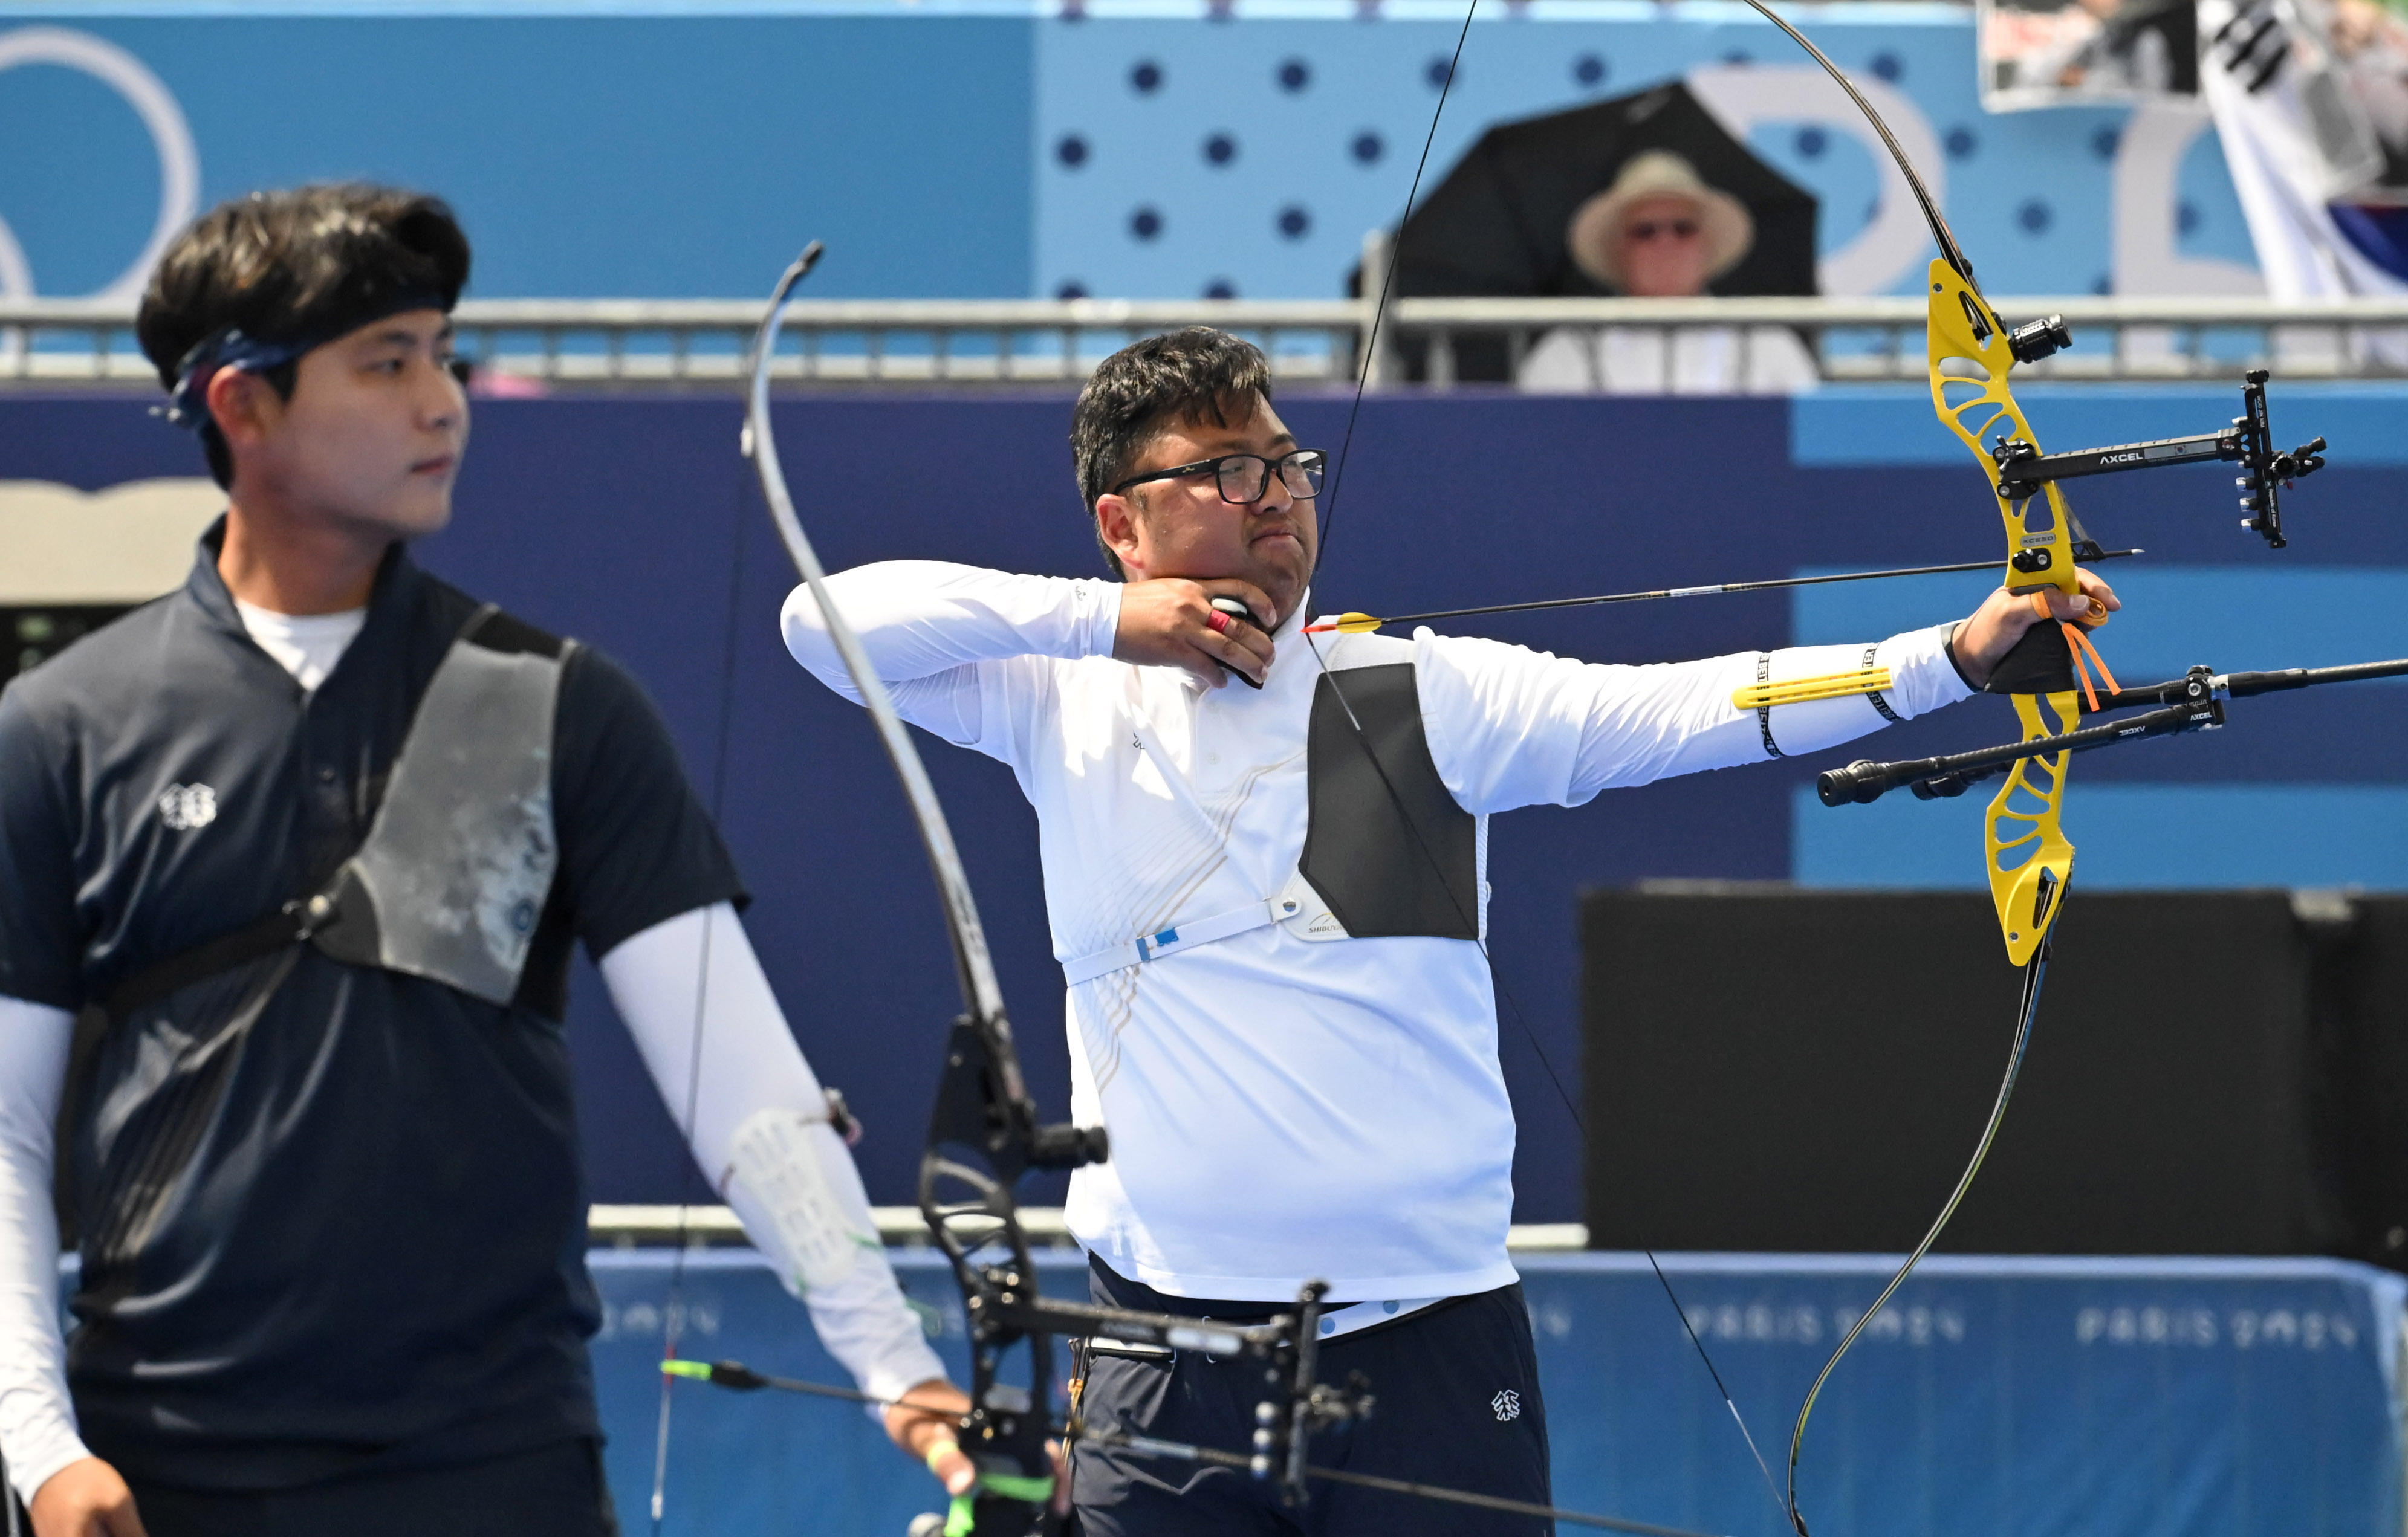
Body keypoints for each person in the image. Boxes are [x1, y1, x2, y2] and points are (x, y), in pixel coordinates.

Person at [779, 325, 2118, 1533]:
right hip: (1157, 1355)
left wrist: (1949, 654)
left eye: (1286, 464)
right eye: (1226, 471)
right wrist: (1109, 620)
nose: (1278, 498)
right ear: (1120, 523)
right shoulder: (1052, 697)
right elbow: (819, 622)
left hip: (1422, 1345)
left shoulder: (1421, 690)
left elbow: (1688, 709)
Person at [0, 184, 976, 1537]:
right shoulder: (60, 724)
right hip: (163, 1467)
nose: (443, 400)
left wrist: (896, 1363)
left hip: (496, 1458)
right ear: (241, 405)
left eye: (443, 355)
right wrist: (42, 1445)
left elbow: (742, 1088)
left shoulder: (560, 702)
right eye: (386, 361)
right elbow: (4, 1128)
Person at [1516, 150, 1822, 396]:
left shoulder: (1766, 342)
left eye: (1683, 228)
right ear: (1617, 249)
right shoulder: (1568, 351)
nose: (1666, 242)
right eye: (1645, 231)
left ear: (1707, 243)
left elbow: (1809, 449)